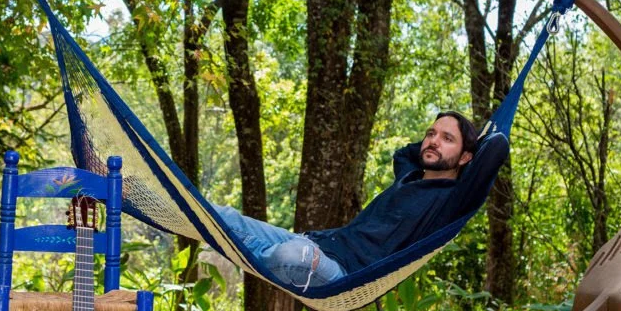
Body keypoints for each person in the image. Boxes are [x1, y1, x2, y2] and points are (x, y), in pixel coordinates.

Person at [212, 111, 509, 290]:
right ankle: (165, 213)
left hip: (345, 274)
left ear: (467, 157)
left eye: (448, 138)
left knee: (288, 256)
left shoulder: (452, 201)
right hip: (318, 244)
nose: (433, 140)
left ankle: (256, 250)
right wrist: (439, 144)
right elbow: (404, 153)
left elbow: (496, 147)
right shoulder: (408, 176)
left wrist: (474, 143)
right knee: (221, 216)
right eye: (430, 133)